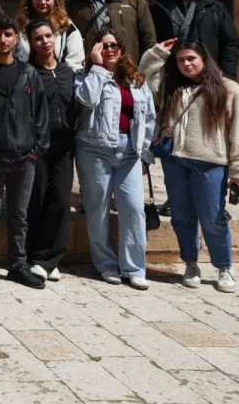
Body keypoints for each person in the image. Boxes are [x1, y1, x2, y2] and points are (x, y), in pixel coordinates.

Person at [141, 39, 239, 293]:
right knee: (182, 216)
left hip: (210, 164)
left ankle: (224, 266)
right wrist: (159, 51)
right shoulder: (171, 88)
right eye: (181, 60)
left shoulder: (229, 90)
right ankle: (190, 264)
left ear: (204, 58)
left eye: (191, 58)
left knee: (213, 217)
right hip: (175, 162)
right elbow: (146, 74)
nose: (186, 64)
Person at [0, 14, 50, 291]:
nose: (2, 40)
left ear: (16, 38)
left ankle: (17, 265)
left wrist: (38, 149)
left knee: (19, 214)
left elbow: (42, 114)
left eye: (7, 34)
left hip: (25, 157)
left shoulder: (29, 73)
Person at [74, 29, 156, 289]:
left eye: (114, 45)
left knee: (133, 209)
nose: (110, 49)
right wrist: (98, 67)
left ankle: (134, 267)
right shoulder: (84, 76)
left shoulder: (137, 80)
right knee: (97, 209)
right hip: (94, 149)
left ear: (122, 49)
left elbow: (148, 119)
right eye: (104, 45)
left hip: (129, 152)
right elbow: (86, 100)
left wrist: (144, 154)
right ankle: (106, 265)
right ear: (94, 48)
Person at [24, 19, 78, 282]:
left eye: (48, 36)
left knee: (60, 202)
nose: (44, 41)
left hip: (64, 147)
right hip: (38, 148)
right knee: (37, 202)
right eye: (38, 38)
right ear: (31, 43)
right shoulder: (29, 73)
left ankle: (50, 258)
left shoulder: (69, 72)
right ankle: (36, 257)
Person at [148, 0, 239, 79]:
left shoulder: (214, 8)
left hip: (207, 76)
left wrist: (227, 76)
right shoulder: (155, 9)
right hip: (169, 77)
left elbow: (230, 42)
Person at [14, 0, 84, 72]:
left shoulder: (66, 26)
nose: (43, 2)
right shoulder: (20, 25)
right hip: (28, 79)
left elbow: (75, 61)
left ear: (55, 0)